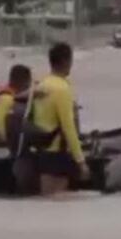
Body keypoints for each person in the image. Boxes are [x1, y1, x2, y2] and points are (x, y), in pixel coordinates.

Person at [32, 42, 90, 196]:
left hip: (42, 151)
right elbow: (68, 128)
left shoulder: (41, 86)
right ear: (66, 61)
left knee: (47, 202)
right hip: (58, 154)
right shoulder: (62, 89)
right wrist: (81, 161)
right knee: (59, 205)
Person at [0, 64, 32, 145]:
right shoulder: (6, 99)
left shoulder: (13, 95)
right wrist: (13, 142)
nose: (30, 86)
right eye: (29, 82)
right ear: (24, 81)